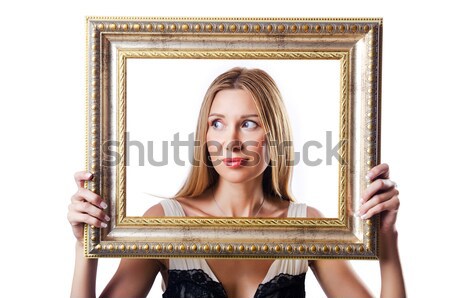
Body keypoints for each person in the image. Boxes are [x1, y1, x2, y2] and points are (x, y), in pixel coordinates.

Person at [68, 67, 405, 297]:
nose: (230, 141)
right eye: (217, 123)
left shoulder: (306, 225)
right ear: (204, 134)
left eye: (248, 124)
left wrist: (386, 240)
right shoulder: (165, 220)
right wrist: (87, 245)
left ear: (275, 135)